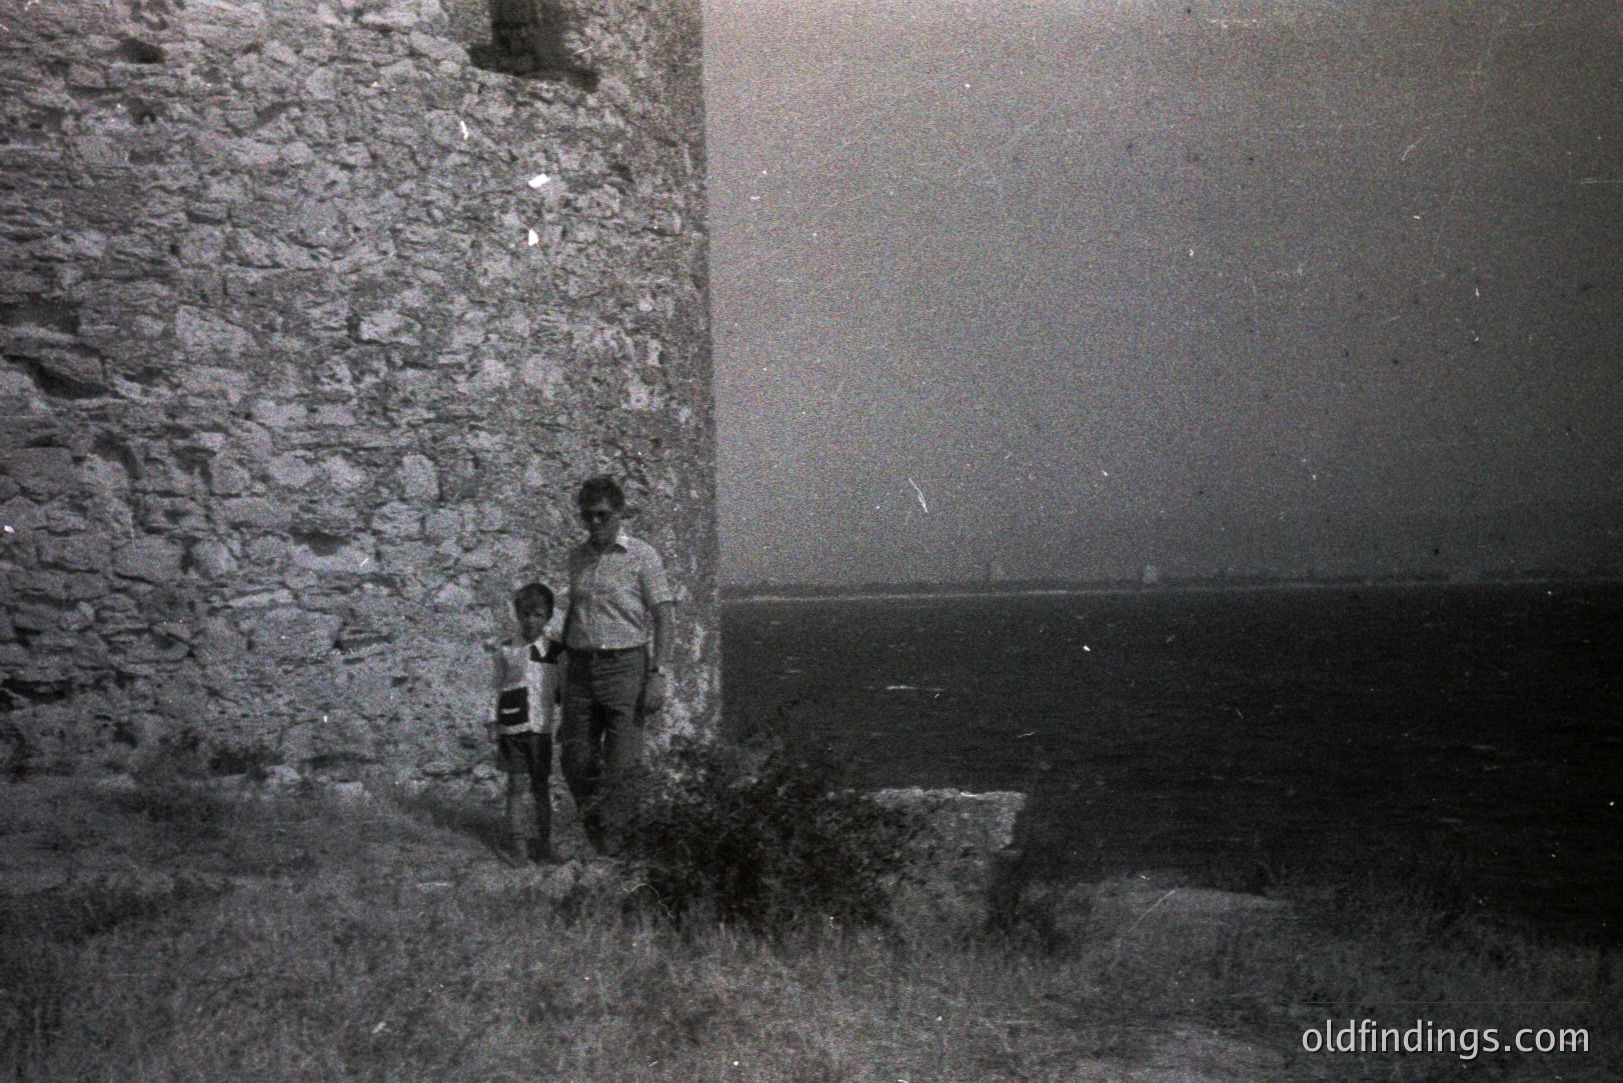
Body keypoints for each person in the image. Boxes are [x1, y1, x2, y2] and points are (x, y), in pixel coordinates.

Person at [558, 475, 676, 852]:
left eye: (601, 515)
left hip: (625, 667)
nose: (594, 523)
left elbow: (664, 617)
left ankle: (616, 848)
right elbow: (572, 614)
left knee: (622, 764)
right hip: (579, 668)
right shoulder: (576, 558)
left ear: (619, 514)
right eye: (587, 516)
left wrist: (658, 674)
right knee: (576, 760)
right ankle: (597, 835)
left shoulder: (643, 556)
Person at [490, 583, 566, 866]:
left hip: (541, 729)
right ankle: (518, 844)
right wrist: (492, 721)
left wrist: (564, 722)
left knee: (540, 787)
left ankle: (545, 843)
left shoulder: (556, 651)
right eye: (524, 614)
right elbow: (495, 687)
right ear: (517, 615)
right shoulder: (508, 649)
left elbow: (563, 689)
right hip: (512, 728)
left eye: (537, 615)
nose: (530, 621)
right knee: (516, 785)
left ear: (547, 616)